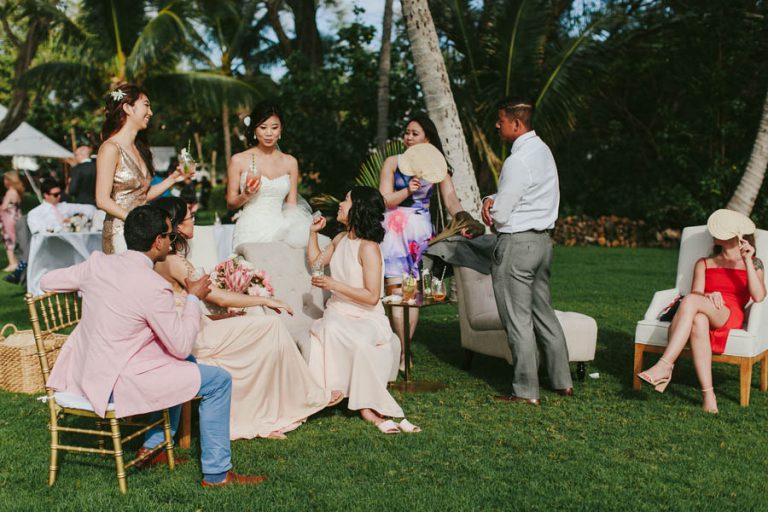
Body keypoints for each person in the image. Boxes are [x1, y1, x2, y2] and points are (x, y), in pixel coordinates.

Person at [41, 205, 266, 487]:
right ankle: (217, 474)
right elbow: (182, 345)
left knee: (184, 364)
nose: (172, 243)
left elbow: (46, 280)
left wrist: (92, 288)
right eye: (170, 237)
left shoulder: (97, 264)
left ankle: (154, 446)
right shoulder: (151, 285)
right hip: (121, 381)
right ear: (157, 241)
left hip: (88, 373)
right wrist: (193, 298)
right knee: (218, 380)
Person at [152, 196, 343, 440]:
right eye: (190, 217)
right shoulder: (171, 262)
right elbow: (217, 297)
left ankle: (282, 407)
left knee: (269, 329)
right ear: (177, 226)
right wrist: (264, 300)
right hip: (194, 337)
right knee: (270, 327)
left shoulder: (172, 259)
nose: (194, 220)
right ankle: (298, 401)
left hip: (201, 326)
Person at [481, 97, 573, 406]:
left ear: (516, 123)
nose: (497, 125)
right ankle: (562, 381)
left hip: (517, 246)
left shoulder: (516, 160)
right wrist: (492, 198)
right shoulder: (542, 151)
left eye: (501, 120)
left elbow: (503, 213)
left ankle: (525, 391)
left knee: (517, 319)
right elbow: (523, 192)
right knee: (543, 313)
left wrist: (489, 210)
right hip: (543, 243)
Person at [307, 186, 421, 435]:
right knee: (331, 328)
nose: (340, 203)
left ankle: (369, 407)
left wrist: (333, 284)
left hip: (366, 316)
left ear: (357, 208)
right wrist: (313, 234)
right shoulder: (338, 239)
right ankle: (338, 394)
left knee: (360, 342)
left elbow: (371, 297)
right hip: (337, 312)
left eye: (346, 200)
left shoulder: (368, 247)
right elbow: (315, 262)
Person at [638, 209, 766, 413]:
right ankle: (709, 395)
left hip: (730, 313)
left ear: (735, 236)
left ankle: (665, 365)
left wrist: (748, 260)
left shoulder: (754, 263)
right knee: (698, 319)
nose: (712, 233)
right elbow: (696, 293)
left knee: (692, 303)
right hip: (704, 308)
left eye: (719, 231)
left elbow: (759, 296)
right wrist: (708, 295)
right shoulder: (704, 263)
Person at [378, 113, 475, 371]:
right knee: (394, 292)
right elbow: (384, 199)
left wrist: (463, 219)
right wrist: (408, 190)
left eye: (415, 133)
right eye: (407, 132)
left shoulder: (437, 166)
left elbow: (451, 199)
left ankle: (403, 352)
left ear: (427, 138)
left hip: (419, 234)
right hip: (394, 232)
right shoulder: (392, 162)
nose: (408, 138)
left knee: (412, 294)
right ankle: (399, 349)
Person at [96, 83, 187, 255]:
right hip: (120, 233)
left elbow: (142, 196)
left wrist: (173, 178)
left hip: (142, 233)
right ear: (128, 108)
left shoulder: (139, 150)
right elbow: (102, 199)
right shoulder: (110, 148)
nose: (150, 113)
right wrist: (134, 222)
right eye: (146, 105)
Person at [226, 101, 318, 250]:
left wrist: (293, 231)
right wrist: (246, 195)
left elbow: (292, 206)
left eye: (274, 127)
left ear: (281, 129)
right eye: (263, 127)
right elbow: (230, 203)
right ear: (255, 129)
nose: (269, 133)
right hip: (250, 231)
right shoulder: (239, 160)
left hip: (281, 230)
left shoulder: (290, 162)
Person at [27, 178, 96, 235]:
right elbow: (39, 233)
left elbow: (90, 208)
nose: (59, 196)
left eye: (60, 193)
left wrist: (80, 218)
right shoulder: (35, 213)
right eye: (56, 195)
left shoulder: (64, 206)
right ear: (46, 195)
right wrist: (64, 226)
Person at [1, 171, 24, 271]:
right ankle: (17, 261)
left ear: (9, 181)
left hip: (8, 218)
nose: (4, 181)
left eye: (5, 179)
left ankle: (12, 263)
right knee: (16, 239)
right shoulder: (17, 191)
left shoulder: (10, 192)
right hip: (17, 217)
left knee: (9, 240)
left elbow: (5, 206)